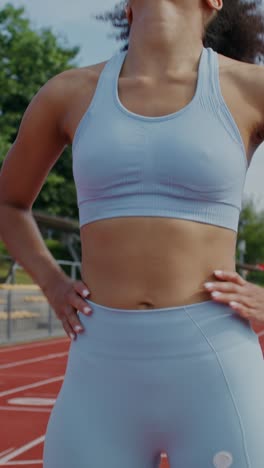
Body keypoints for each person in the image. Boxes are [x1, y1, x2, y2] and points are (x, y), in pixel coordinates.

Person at [1, 0, 264, 466]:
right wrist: (52, 280)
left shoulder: (250, 88)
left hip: (216, 365)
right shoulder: (68, 93)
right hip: (100, 366)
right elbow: (8, 202)